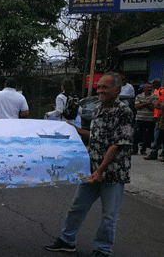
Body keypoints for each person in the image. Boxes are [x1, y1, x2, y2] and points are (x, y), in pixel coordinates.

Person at [44, 73, 133, 257]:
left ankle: (103, 250)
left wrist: (100, 171)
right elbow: (96, 137)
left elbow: (117, 144)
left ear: (116, 90)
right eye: (99, 87)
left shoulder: (124, 112)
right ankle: (67, 241)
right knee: (77, 207)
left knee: (109, 216)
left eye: (104, 87)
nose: (99, 90)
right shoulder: (99, 109)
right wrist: (75, 130)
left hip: (112, 173)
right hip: (91, 169)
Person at [133, 83, 157, 156]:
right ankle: (134, 150)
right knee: (136, 134)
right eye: (147, 87)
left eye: (150, 87)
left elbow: (153, 107)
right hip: (139, 118)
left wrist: (142, 104)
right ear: (144, 89)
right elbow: (136, 107)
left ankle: (143, 150)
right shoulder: (139, 96)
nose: (149, 89)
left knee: (147, 136)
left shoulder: (155, 97)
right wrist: (147, 103)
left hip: (149, 119)